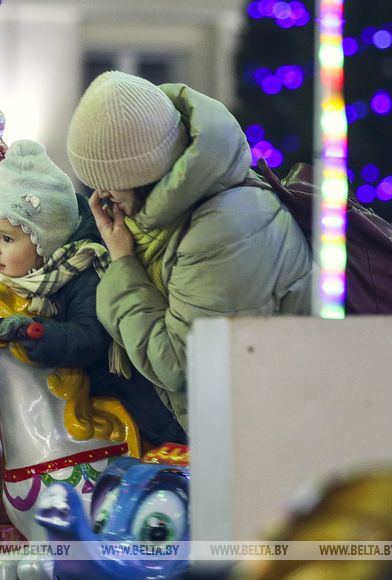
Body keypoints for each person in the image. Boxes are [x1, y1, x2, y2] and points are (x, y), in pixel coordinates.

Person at [66, 71, 313, 432]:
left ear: (144, 175)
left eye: (110, 184)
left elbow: (178, 365)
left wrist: (122, 264)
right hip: (238, 429)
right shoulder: (179, 211)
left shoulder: (224, 229)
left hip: (264, 442)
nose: (103, 196)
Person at [0, 139, 186, 445]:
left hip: (113, 392)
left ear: (44, 243)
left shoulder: (83, 275)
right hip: (55, 400)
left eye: (7, 239)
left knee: (153, 436)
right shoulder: (10, 282)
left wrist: (37, 332)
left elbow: (89, 337)